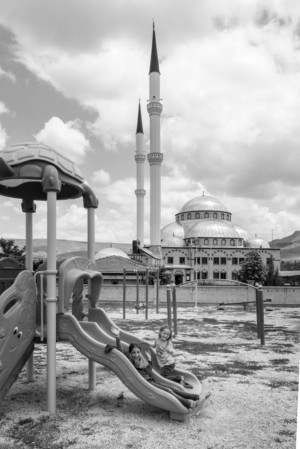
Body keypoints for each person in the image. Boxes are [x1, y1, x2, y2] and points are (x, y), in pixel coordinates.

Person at [105, 326, 207, 412]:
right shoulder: (130, 360)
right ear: (130, 353)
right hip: (144, 383)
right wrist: (117, 337)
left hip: (151, 381)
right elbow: (120, 352)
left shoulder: (142, 360)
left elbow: (149, 372)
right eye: (134, 353)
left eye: (137, 352)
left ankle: (196, 397)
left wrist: (149, 361)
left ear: (140, 352)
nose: (136, 355)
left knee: (172, 388)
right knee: (168, 390)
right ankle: (190, 404)